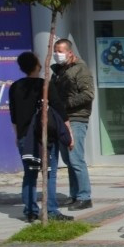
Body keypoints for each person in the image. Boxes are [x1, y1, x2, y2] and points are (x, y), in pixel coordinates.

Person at [9, 52, 72, 223]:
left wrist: (18, 136)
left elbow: (14, 116)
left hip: (24, 137)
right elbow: (59, 109)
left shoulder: (15, 87)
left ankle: (30, 211)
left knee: (29, 174)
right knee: (49, 174)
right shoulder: (44, 85)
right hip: (45, 138)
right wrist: (69, 133)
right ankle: (51, 210)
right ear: (37, 65)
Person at [50, 38, 95, 210]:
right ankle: (74, 194)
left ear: (70, 52)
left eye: (60, 51)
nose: (57, 54)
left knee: (76, 159)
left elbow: (88, 94)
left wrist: (65, 104)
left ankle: (85, 196)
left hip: (76, 118)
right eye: (55, 50)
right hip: (62, 119)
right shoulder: (59, 71)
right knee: (69, 160)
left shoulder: (80, 69)